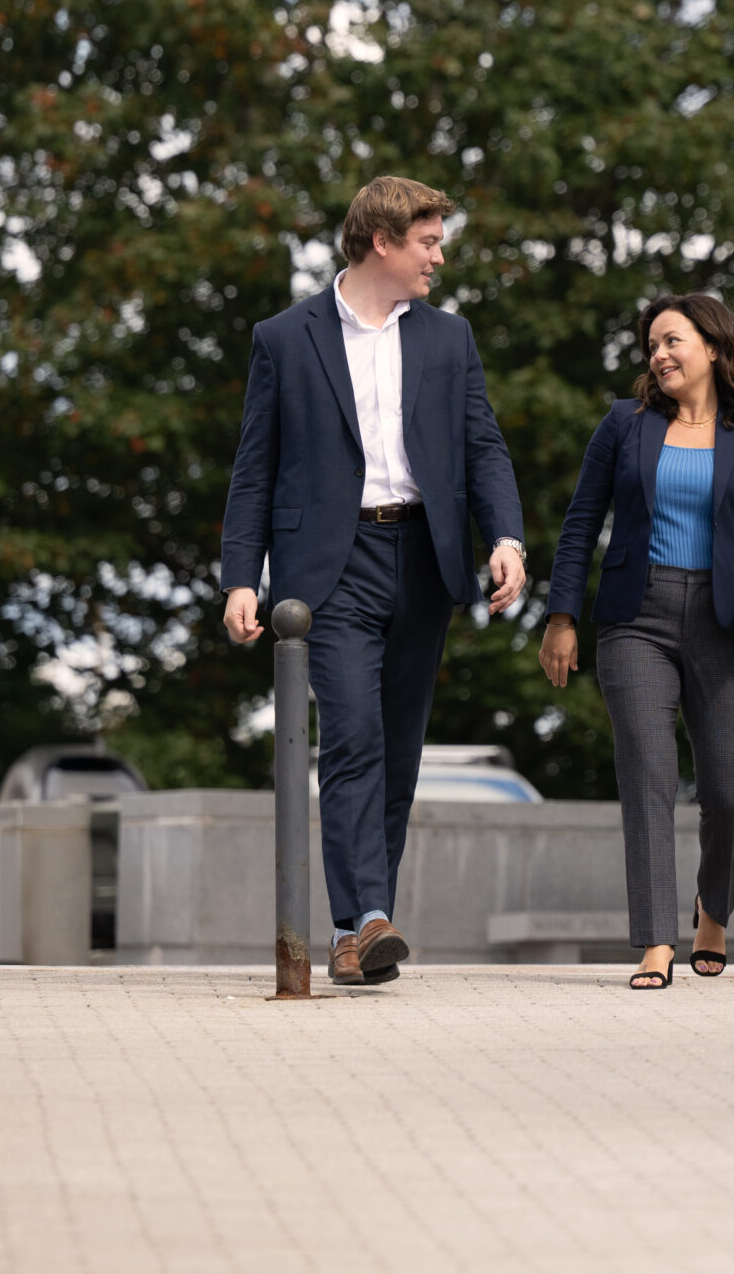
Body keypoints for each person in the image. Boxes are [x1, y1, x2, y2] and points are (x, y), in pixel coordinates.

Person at [221, 176, 528, 986]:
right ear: (382, 242)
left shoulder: (449, 337)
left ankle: (358, 936)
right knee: (352, 738)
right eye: (428, 241)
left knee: (397, 753)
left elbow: (482, 446)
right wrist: (238, 578)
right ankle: (365, 917)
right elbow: (254, 469)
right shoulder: (286, 338)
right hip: (332, 563)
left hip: (425, 559)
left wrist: (506, 537)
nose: (439, 255)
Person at [542, 292, 734, 990]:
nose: (658, 354)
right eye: (651, 343)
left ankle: (712, 911)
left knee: (727, 788)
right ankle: (655, 939)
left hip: (727, 620)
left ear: (712, 347)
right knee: (649, 775)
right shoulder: (625, 424)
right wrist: (562, 615)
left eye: (672, 340)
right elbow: (581, 520)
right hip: (636, 617)